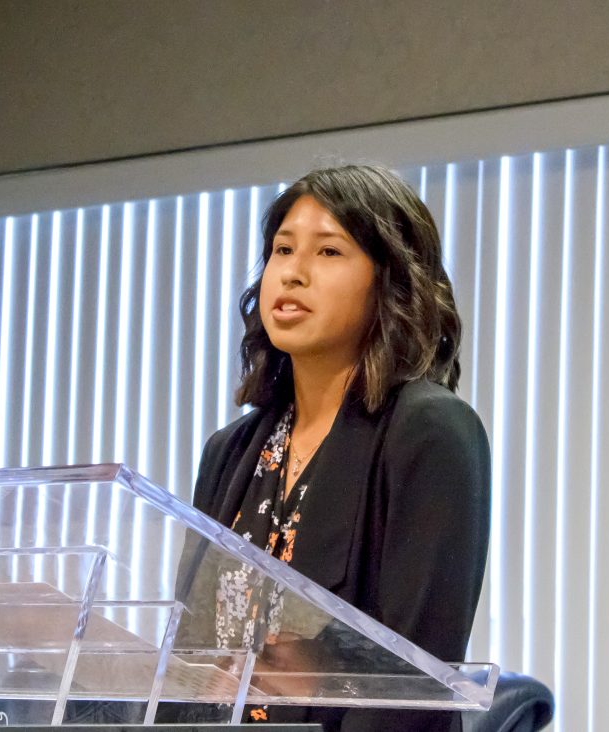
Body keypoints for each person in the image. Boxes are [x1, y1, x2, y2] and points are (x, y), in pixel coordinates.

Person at [192, 164, 491, 731]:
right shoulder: (229, 452)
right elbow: (194, 653)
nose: (293, 274)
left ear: (390, 281)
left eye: (328, 253)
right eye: (282, 250)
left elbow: (414, 683)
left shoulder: (431, 432)